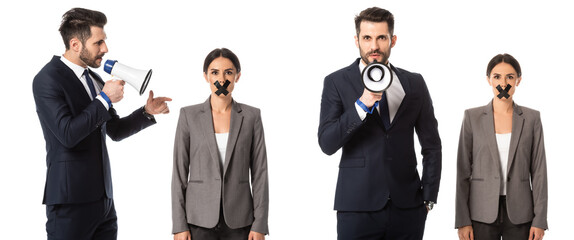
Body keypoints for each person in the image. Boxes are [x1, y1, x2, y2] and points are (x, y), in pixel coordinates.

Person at [32, 8, 171, 240]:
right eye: (99, 43)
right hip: (70, 202)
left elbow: (115, 131)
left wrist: (147, 112)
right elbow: (67, 134)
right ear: (75, 44)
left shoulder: (94, 79)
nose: (105, 49)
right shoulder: (47, 79)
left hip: (104, 202)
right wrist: (104, 98)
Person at [318, 7, 442, 240]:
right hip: (356, 207)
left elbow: (432, 145)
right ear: (357, 40)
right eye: (367, 38)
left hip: (408, 208)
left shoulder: (414, 83)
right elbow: (327, 142)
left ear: (392, 40)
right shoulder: (336, 82)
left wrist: (428, 198)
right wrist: (361, 106)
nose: (374, 46)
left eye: (381, 38)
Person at [172, 48, 269, 240]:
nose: (222, 79)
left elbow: (260, 174)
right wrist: (179, 225)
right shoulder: (188, 116)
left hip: (240, 221)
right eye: (215, 72)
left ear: (237, 76)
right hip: (198, 220)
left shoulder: (251, 116)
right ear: (206, 76)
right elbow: (179, 174)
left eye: (229, 72)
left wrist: (260, 224)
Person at [455, 53, 547, 240]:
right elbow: (463, 171)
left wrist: (540, 220)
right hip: (481, 212)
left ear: (518, 81)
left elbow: (539, 173)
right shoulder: (472, 118)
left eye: (510, 77)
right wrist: (462, 220)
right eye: (497, 76)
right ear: (489, 80)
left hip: (520, 214)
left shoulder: (532, 119)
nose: (503, 83)